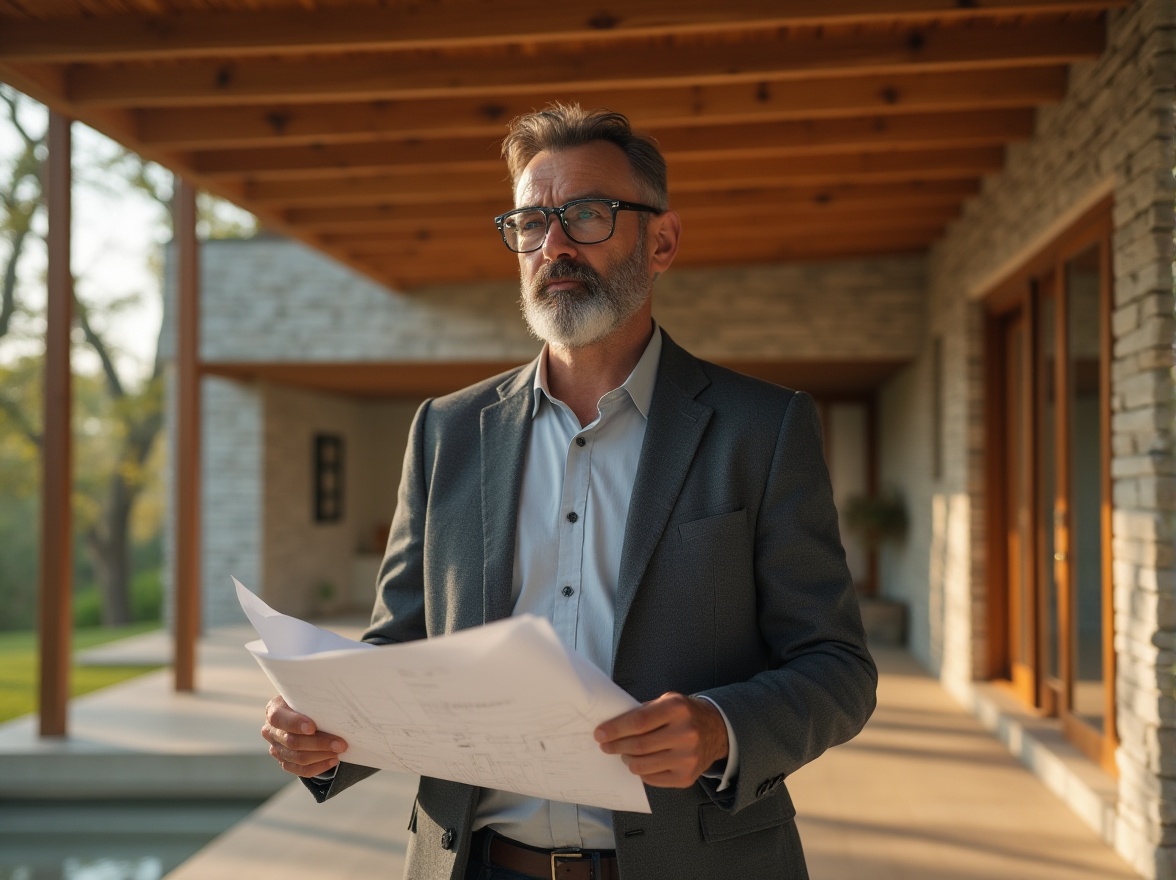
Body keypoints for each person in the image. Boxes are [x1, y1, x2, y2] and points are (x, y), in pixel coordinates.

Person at [262, 103, 877, 880]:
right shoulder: (446, 432)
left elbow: (837, 666)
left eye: (586, 215)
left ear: (662, 241)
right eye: (530, 221)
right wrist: (324, 736)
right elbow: (403, 648)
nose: (553, 245)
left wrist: (721, 727)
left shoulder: (763, 428)